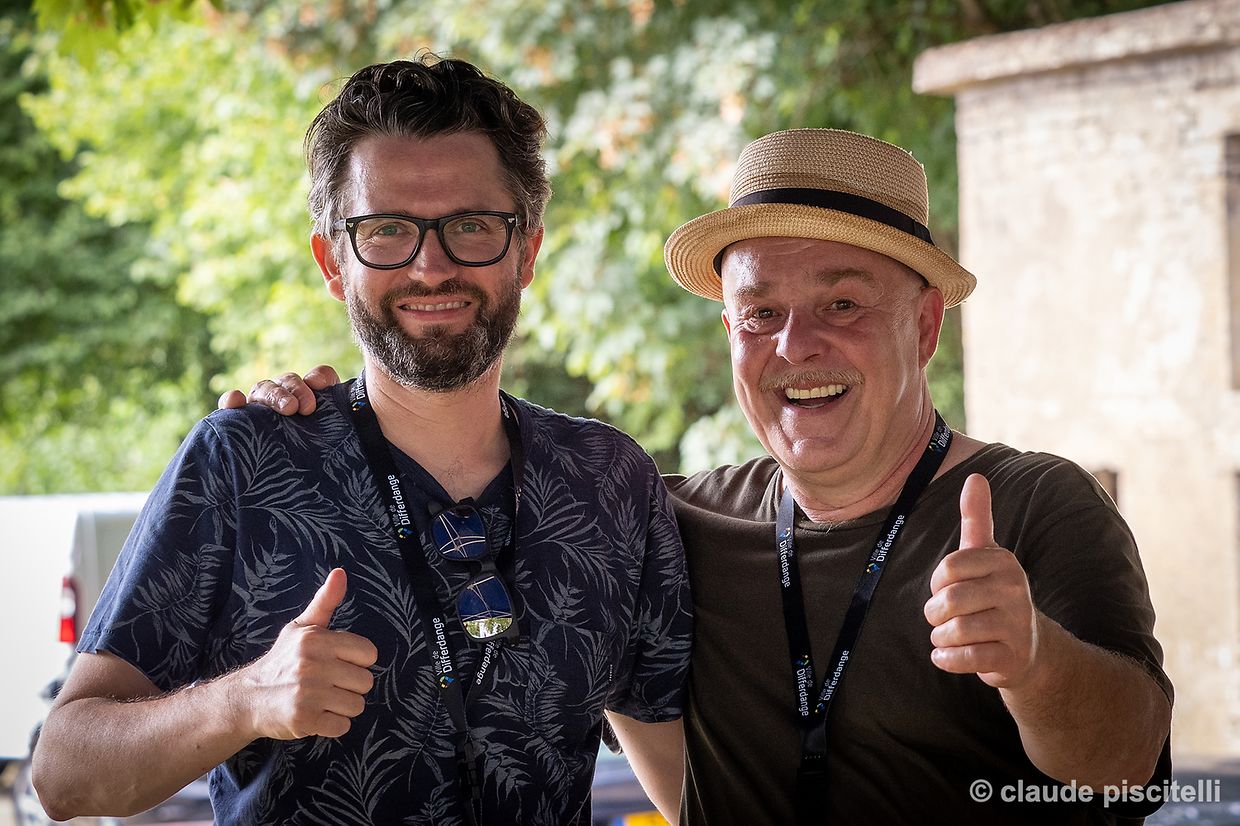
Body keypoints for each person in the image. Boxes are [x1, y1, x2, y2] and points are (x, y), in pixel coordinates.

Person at [233, 128, 1173, 824]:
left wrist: (1032, 661)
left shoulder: (1037, 506)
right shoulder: (656, 517)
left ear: (923, 326)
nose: (796, 346)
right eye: (758, 312)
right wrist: (305, 415)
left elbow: (1131, 767)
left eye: (842, 302)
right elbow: (443, 450)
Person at [31, 56, 691, 826]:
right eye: (386, 231)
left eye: (472, 225)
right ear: (333, 262)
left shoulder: (610, 479)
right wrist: (248, 698)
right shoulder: (242, 463)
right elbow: (63, 775)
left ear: (528, 249)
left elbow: (680, 779)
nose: (431, 264)